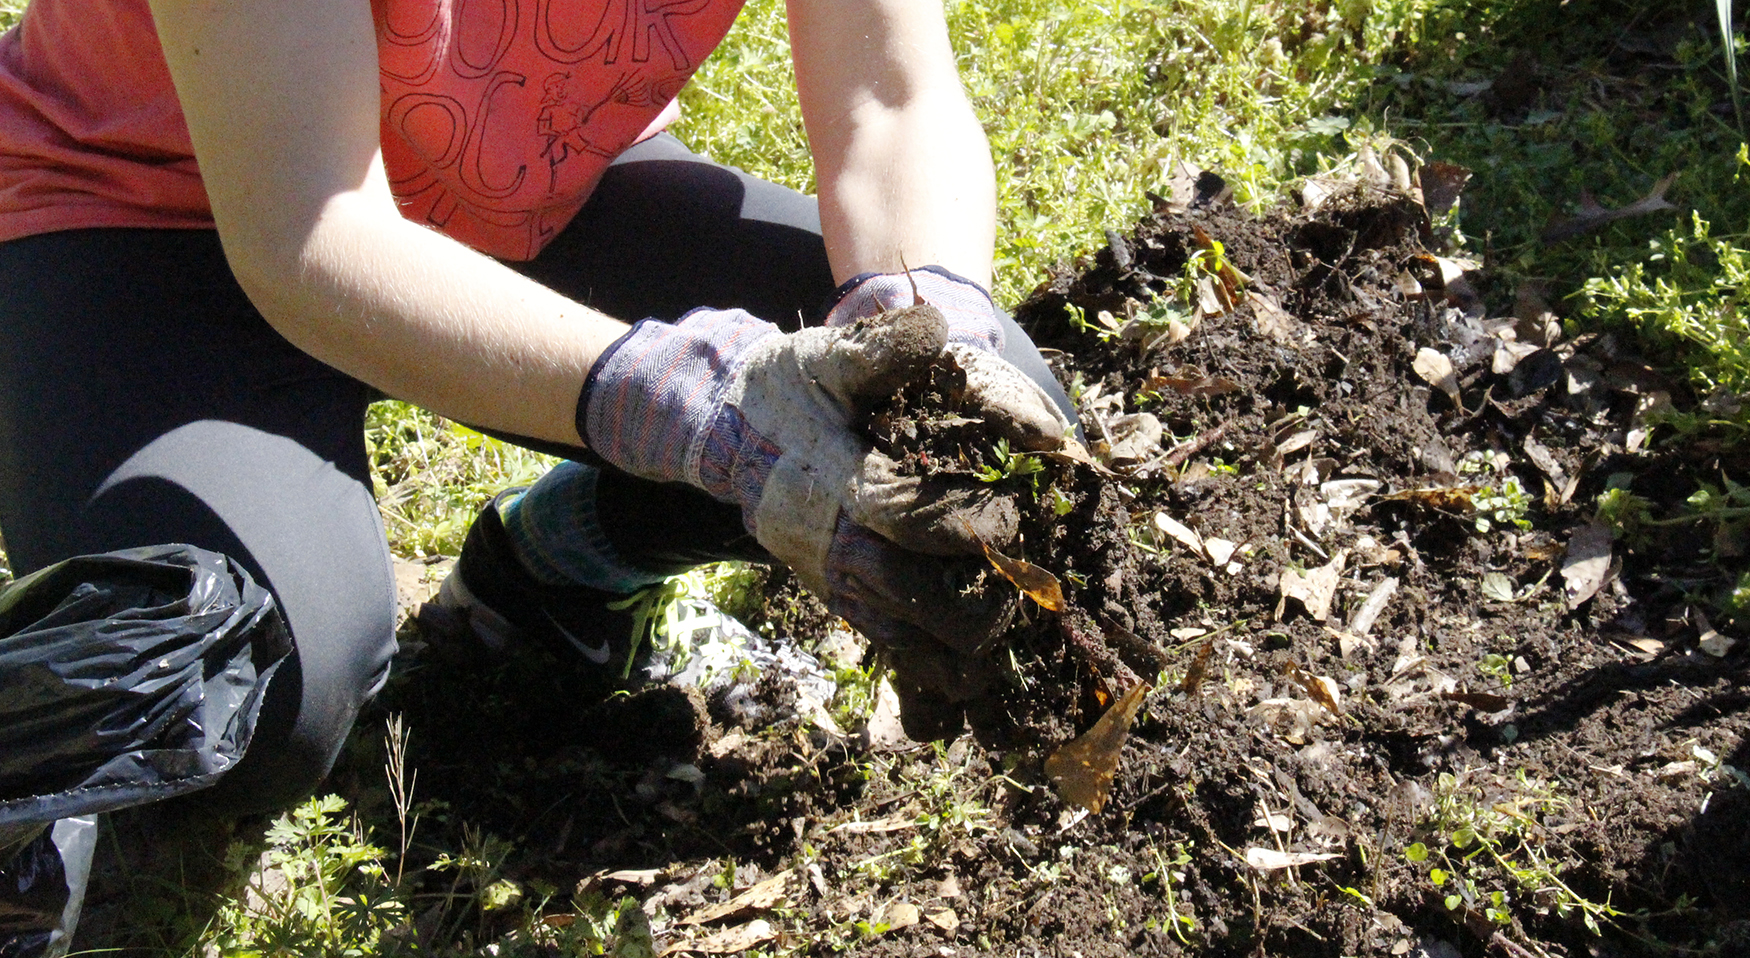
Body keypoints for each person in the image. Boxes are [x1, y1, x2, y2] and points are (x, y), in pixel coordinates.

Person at [0, 0, 1072, 946]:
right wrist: (674, 400)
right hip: (145, 222)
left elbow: (892, 96)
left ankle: (565, 559)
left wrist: (926, 333)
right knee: (256, 689)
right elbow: (306, 233)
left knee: (947, 434)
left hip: (521, 202)